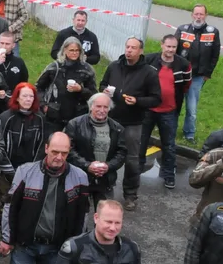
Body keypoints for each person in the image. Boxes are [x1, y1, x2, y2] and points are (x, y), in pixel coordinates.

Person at [0, 132, 90, 264]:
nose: (59, 157)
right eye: (55, 151)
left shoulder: (80, 177)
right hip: (25, 245)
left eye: (64, 153)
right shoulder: (25, 171)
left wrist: (76, 249)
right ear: (46, 148)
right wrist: (7, 239)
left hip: (56, 250)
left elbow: (83, 215)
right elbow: (10, 206)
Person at [99, 36, 161, 211]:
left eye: (133, 48)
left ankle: (130, 195)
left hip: (133, 123)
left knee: (132, 160)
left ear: (140, 51)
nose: (129, 50)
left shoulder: (149, 72)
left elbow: (156, 99)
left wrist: (138, 101)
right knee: (107, 157)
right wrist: (104, 90)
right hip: (111, 120)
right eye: (127, 47)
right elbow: (102, 84)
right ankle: (106, 189)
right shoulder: (113, 66)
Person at [0, 82, 46, 220]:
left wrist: (33, 169)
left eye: (31, 96)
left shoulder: (40, 118)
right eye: (24, 96)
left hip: (30, 171)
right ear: (17, 98)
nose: (28, 99)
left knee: (26, 206)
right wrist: (10, 172)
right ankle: (4, 237)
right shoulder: (5, 118)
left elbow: (42, 145)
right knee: (7, 205)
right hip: (7, 171)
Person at [142, 34, 192, 189]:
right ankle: (135, 171)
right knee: (141, 141)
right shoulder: (148, 60)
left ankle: (169, 175)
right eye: (168, 46)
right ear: (161, 45)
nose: (170, 50)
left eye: (174, 47)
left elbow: (186, 85)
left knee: (169, 145)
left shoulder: (184, 64)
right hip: (148, 109)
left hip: (169, 111)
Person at [66, 93, 127, 212]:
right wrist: (87, 165)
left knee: (105, 216)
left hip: (105, 180)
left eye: (105, 107)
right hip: (80, 178)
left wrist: (108, 166)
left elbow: (121, 153)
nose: (102, 110)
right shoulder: (75, 124)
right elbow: (69, 150)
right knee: (77, 215)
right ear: (91, 106)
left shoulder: (117, 128)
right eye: (98, 106)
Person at [177, 4, 221, 143]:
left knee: (192, 108)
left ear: (206, 15)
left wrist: (207, 73)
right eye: (196, 14)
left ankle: (189, 134)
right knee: (173, 104)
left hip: (197, 77)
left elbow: (215, 55)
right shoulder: (182, 29)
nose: (198, 17)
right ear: (192, 15)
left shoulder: (212, 32)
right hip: (180, 75)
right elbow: (173, 49)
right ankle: (169, 128)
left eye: (201, 14)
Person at [36, 37, 97, 134]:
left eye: (77, 50)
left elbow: (94, 95)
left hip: (77, 115)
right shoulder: (54, 67)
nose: (74, 53)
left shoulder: (87, 69)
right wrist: (43, 105)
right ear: (64, 50)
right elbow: (38, 87)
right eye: (71, 50)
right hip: (54, 115)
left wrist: (80, 89)